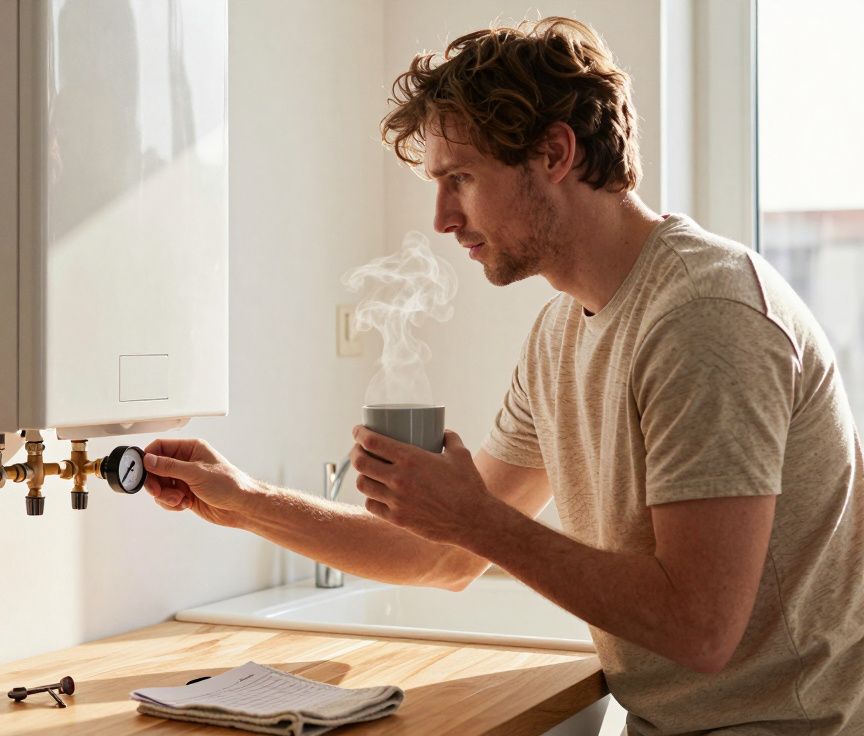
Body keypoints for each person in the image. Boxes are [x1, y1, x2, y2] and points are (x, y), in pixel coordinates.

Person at [140, 16, 864, 735]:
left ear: (554, 153)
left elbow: (701, 629)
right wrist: (242, 499)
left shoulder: (704, 315)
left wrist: (478, 520)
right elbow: (444, 555)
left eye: (461, 178)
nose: (443, 218)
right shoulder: (559, 333)